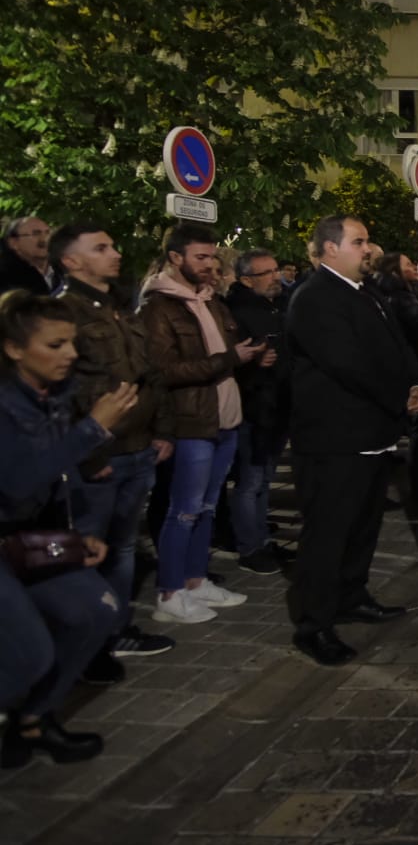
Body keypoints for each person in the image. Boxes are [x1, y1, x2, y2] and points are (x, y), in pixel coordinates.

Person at [1, 292, 136, 768]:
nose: (71, 355)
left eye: (71, 343)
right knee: (29, 654)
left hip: (26, 537)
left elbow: (51, 480)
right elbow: (17, 483)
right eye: (56, 345)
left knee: (95, 612)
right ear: (14, 348)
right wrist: (93, 430)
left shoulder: (52, 394)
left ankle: (34, 720)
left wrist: (74, 537)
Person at [284, 216, 418, 666]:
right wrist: (397, 399)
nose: (367, 249)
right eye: (358, 242)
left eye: (366, 241)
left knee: (363, 525)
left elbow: (397, 346)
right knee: (328, 533)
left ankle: (352, 595)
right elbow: (347, 364)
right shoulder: (315, 298)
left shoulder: (366, 292)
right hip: (335, 438)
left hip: (372, 433)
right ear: (329, 249)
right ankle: (315, 624)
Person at [51, 223, 176, 679]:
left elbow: (150, 375)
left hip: (139, 449)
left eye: (113, 243)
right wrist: (89, 457)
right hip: (100, 457)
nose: (115, 253)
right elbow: (61, 394)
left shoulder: (121, 307)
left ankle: (116, 628)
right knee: (89, 550)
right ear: (71, 260)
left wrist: (161, 430)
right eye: (100, 248)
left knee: (123, 548)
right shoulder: (62, 313)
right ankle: (85, 644)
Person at [141, 224, 263, 624]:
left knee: (208, 508)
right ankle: (169, 592)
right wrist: (230, 360)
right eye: (201, 257)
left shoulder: (212, 300)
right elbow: (164, 370)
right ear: (175, 258)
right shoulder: (159, 307)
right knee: (184, 510)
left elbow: (225, 350)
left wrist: (248, 355)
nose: (211, 265)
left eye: (212, 257)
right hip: (192, 422)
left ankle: (195, 580)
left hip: (225, 419)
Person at [224, 248, 293, 575]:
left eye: (276, 269)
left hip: (277, 405)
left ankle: (262, 539)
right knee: (250, 481)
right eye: (267, 273)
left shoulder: (276, 305)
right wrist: (253, 363)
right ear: (246, 280)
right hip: (253, 408)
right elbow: (228, 361)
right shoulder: (236, 311)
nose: (275, 277)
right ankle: (249, 547)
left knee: (265, 478)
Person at [1, 217, 53, 296]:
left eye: (48, 232)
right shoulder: (4, 276)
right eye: (36, 233)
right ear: (13, 243)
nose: (45, 239)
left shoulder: (63, 269)